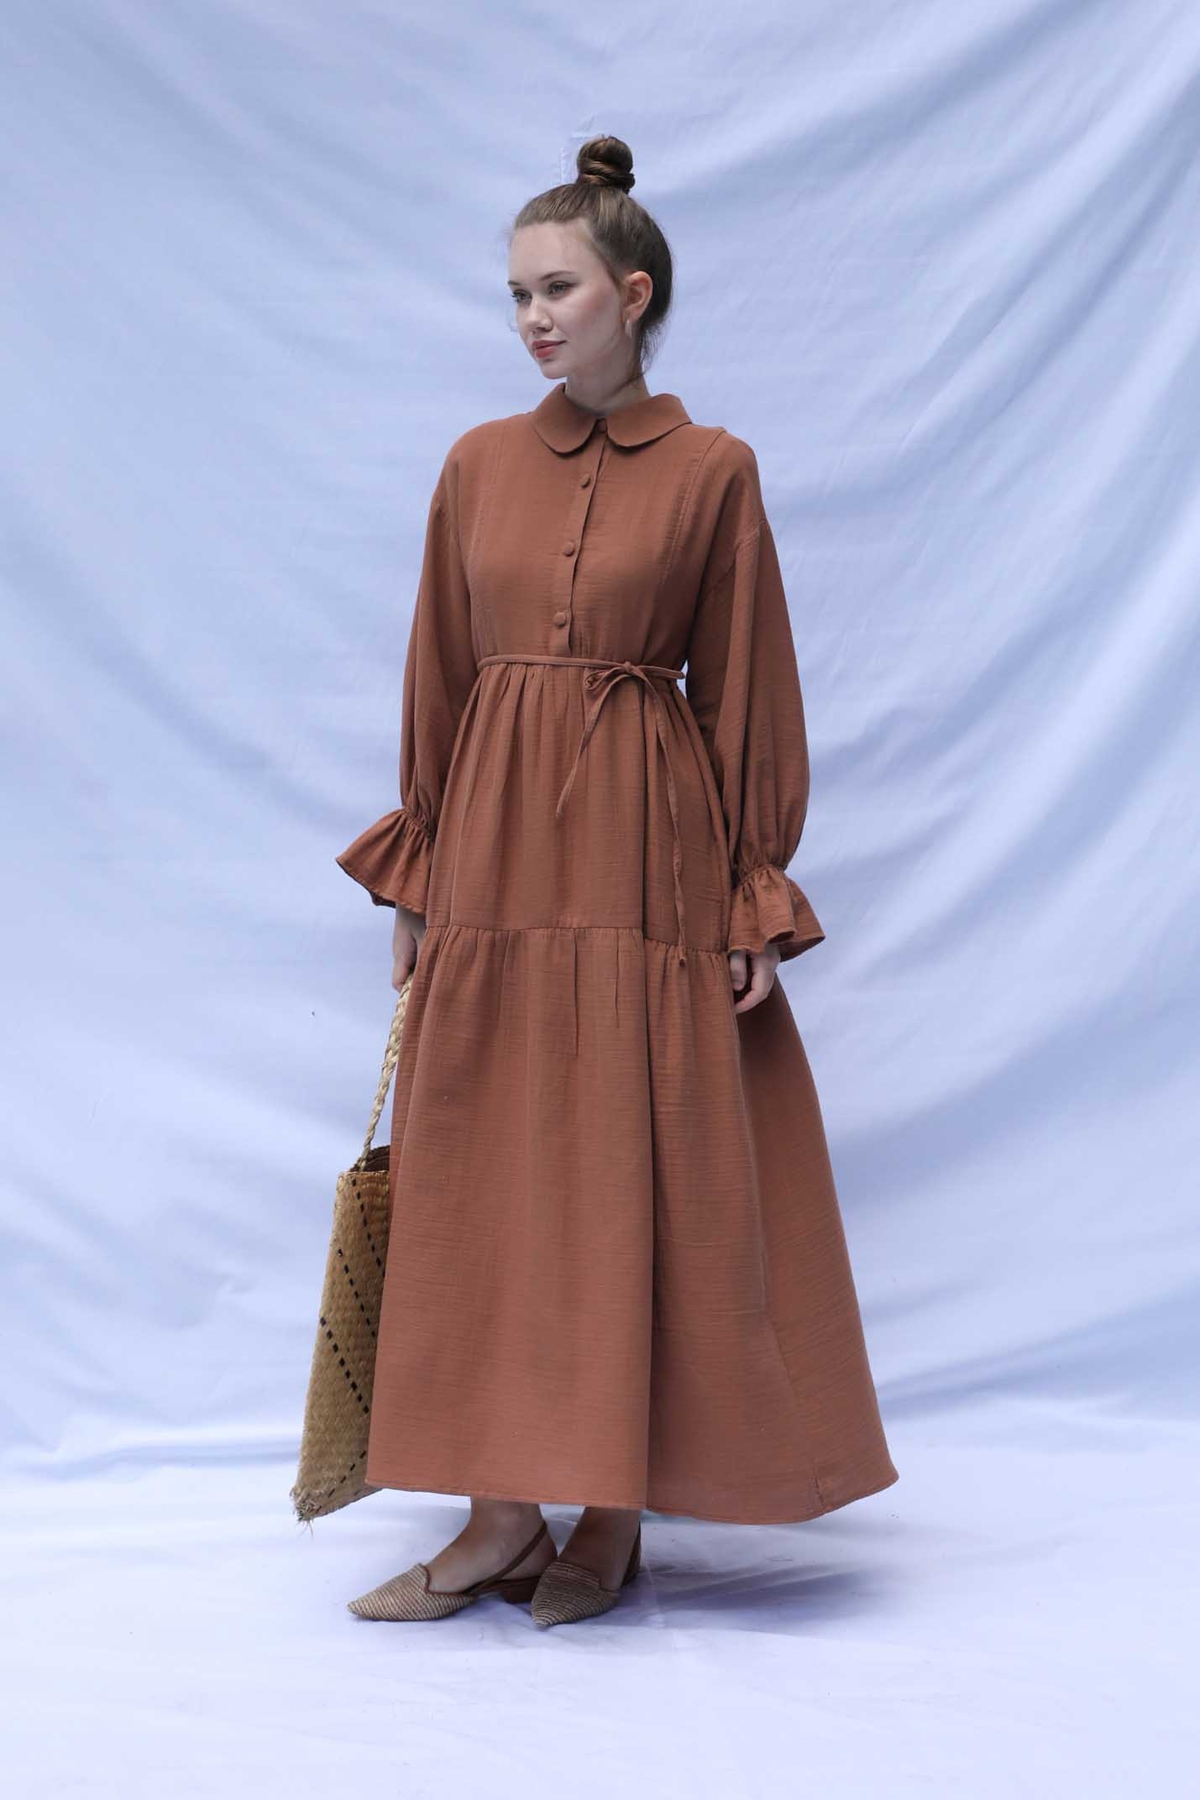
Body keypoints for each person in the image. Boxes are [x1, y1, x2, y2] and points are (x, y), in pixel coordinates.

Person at [337, 134, 898, 1629]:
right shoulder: (475, 465)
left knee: (629, 1163)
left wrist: (752, 890)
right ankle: (495, 1518)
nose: (532, 318)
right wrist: (419, 877)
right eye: (517, 294)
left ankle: (610, 1514)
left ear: (632, 295)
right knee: (481, 1165)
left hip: (650, 857)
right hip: (496, 851)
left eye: (559, 290)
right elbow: (439, 675)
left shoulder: (716, 473)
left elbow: (748, 687)